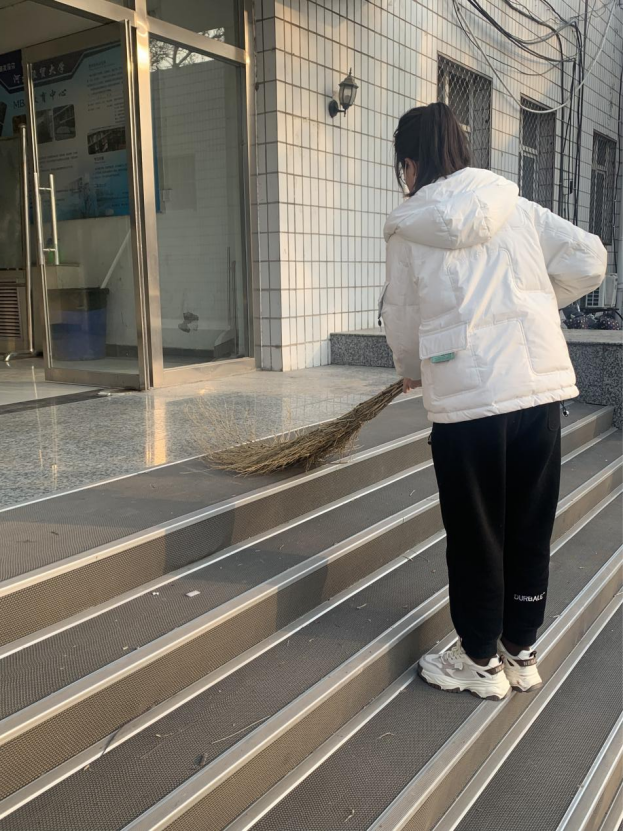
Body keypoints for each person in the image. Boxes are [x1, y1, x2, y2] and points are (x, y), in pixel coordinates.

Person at [380, 102, 607, 701]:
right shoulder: (515, 204)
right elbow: (590, 258)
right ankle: (521, 651)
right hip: (538, 392)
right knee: (530, 524)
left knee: (476, 531)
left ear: (411, 163)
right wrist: (532, 303)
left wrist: (411, 371)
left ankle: (479, 660)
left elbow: (403, 314)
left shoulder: (408, 226)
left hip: (468, 403)